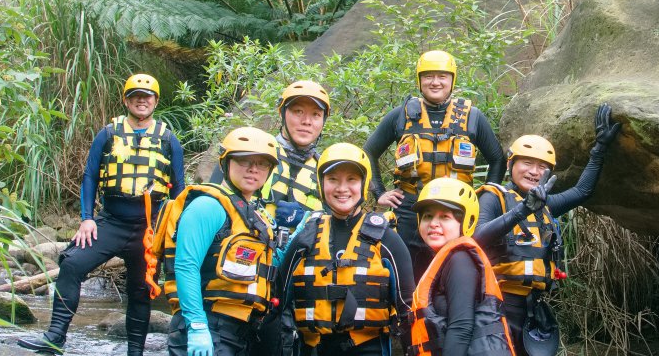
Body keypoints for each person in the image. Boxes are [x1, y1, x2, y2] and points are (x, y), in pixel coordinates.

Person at [18, 74, 186, 356]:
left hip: (149, 229)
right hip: (111, 222)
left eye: (147, 96)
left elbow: (179, 190)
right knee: (71, 263)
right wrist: (86, 218)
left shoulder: (169, 140)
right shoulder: (107, 134)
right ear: (126, 100)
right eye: (135, 95)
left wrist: (175, 233)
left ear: (156, 101)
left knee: (141, 290)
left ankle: (135, 352)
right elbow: (90, 176)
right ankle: (55, 337)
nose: (141, 100)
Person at [474, 104, 621, 356]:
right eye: (527, 163)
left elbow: (582, 191)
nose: (534, 171)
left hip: (532, 306)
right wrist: (521, 211)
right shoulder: (493, 197)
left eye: (542, 167)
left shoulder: (545, 205)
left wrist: (599, 149)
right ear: (511, 165)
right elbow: (477, 238)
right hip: (495, 304)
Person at [363, 50, 506, 276]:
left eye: (442, 76)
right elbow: (368, 152)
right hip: (411, 208)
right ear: (420, 80)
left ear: (452, 79)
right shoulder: (400, 116)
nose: (435, 82)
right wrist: (379, 192)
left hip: (456, 210)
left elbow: (498, 159)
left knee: (455, 270)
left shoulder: (472, 116)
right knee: (407, 273)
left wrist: (485, 200)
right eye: (428, 76)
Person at [277, 143, 415, 356]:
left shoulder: (386, 238)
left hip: (368, 348)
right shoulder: (306, 236)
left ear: (363, 183)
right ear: (322, 185)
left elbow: (408, 308)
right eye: (333, 180)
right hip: (313, 349)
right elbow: (277, 301)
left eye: (351, 179)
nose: (342, 188)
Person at [165, 127, 291, 356]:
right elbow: (186, 265)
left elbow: (272, 264)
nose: (254, 170)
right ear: (226, 163)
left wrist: (302, 231)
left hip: (242, 332)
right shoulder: (207, 206)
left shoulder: (254, 215)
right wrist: (196, 325)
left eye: (262, 164)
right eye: (244, 161)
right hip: (208, 325)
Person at [410, 177, 516, 356]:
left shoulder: (460, 261)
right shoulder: (444, 259)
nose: (434, 223)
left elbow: (461, 328)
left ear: (466, 222)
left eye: (445, 217)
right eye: (428, 216)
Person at [211, 80, 329, 213]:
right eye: (298, 111)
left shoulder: (326, 171)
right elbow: (212, 205)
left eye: (316, 115)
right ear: (282, 113)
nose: (307, 121)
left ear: (323, 121)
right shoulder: (247, 150)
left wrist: (306, 222)